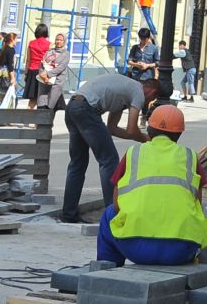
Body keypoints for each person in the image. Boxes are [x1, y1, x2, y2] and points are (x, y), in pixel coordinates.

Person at [95, 103, 207, 267]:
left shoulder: (133, 153)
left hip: (135, 248)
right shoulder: (190, 157)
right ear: (179, 134)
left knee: (109, 214)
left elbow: (116, 204)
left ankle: (107, 269)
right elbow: (198, 203)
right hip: (181, 250)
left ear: (149, 130)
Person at [58, 71, 152, 222]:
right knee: (109, 161)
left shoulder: (122, 92)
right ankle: (112, 214)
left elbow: (112, 128)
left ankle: (69, 214)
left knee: (78, 163)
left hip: (73, 107)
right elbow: (132, 128)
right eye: (151, 99)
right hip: (86, 109)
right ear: (151, 91)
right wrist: (148, 140)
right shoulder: (138, 91)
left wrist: (137, 137)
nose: (147, 103)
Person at [25, 24, 51, 108]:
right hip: (43, 72)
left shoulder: (31, 43)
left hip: (32, 71)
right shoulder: (49, 44)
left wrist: (26, 73)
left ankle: (27, 118)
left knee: (32, 98)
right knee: (43, 96)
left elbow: (28, 59)